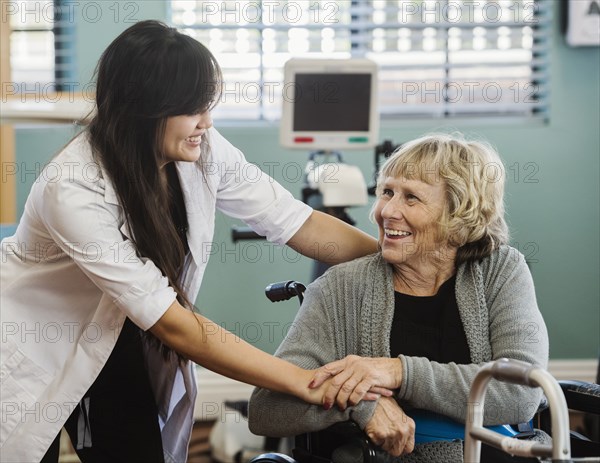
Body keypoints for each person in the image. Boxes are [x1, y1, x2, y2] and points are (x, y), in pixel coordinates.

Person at [0, 21, 384, 463]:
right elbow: (174, 324)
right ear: (142, 110)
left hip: (117, 340)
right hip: (34, 346)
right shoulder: (72, 189)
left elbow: (296, 223)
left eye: (208, 106)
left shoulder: (202, 150)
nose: (207, 122)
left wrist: (396, 258)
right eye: (193, 109)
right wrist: (303, 381)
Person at [249, 133, 550, 462]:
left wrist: (399, 373)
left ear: (459, 214)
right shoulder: (340, 288)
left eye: (411, 198)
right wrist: (362, 403)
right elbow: (267, 409)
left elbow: (521, 393)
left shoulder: (501, 270)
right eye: (387, 192)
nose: (387, 211)